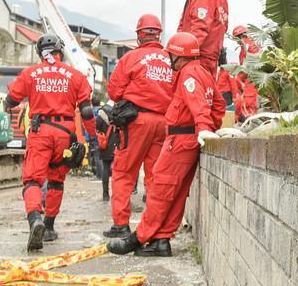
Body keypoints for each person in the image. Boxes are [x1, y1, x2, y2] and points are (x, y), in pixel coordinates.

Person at [107, 32, 226, 257]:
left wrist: (203, 127)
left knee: (160, 189)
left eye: (171, 55)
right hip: (186, 139)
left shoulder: (188, 74)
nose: (169, 59)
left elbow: (197, 102)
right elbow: (218, 105)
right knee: (177, 192)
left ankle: (139, 237)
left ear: (179, 56)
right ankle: (161, 240)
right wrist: (209, 128)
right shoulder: (204, 73)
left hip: (179, 139)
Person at [3, 34, 98, 251]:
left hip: (41, 131)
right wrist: (92, 138)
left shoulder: (31, 73)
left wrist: (7, 105)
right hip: (65, 133)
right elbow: (86, 111)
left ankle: (35, 218)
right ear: (60, 51)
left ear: (40, 53)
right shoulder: (75, 76)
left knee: (33, 180)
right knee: (56, 181)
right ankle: (49, 227)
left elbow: (11, 99)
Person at [103, 14, 173, 238]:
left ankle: (121, 225)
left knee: (124, 172)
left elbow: (114, 91)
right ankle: (153, 228)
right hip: (164, 123)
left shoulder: (131, 58)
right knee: (155, 177)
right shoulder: (171, 59)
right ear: (159, 33)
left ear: (139, 34)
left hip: (136, 122)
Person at [177, 0, 229, 78]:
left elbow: (200, 27)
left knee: (192, 94)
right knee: (207, 93)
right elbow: (224, 27)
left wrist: (183, 53)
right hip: (211, 58)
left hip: (197, 57)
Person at [96, 101, 119, 202]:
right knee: (118, 170)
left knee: (106, 167)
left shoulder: (101, 112)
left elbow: (97, 127)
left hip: (106, 144)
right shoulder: (119, 110)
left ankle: (105, 194)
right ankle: (117, 194)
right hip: (118, 143)